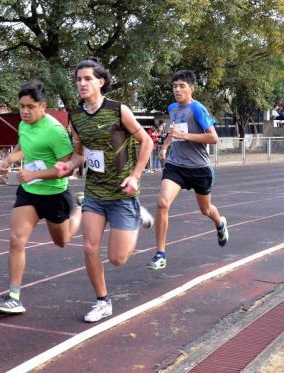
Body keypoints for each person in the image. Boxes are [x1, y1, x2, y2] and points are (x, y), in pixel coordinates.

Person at [54, 58, 154, 323]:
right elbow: (80, 154)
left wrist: (135, 176)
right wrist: (68, 165)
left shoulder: (119, 110)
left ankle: (137, 215)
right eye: (78, 79)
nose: (82, 83)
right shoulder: (75, 117)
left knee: (118, 259)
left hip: (122, 191)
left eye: (87, 78)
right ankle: (102, 301)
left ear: (100, 81)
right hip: (96, 192)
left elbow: (146, 142)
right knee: (88, 247)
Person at [0, 80, 83, 315]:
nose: (24, 111)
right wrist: (7, 161)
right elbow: (23, 148)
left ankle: (79, 208)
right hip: (29, 192)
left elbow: (68, 167)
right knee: (16, 239)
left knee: (62, 241)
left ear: (43, 106)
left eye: (30, 106)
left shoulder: (55, 131)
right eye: (21, 106)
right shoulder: (24, 125)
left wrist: (35, 173)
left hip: (54, 194)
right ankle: (13, 296)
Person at [146, 70, 229, 271]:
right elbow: (174, 131)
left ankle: (220, 223)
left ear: (191, 88)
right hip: (176, 166)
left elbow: (213, 138)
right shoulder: (172, 108)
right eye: (174, 86)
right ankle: (160, 254)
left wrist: (185, 135)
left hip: (199, 168)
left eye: (182, 86)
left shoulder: (198, 109)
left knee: (206, 210)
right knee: (162, 202)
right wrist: (165, 146)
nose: (177, 89)